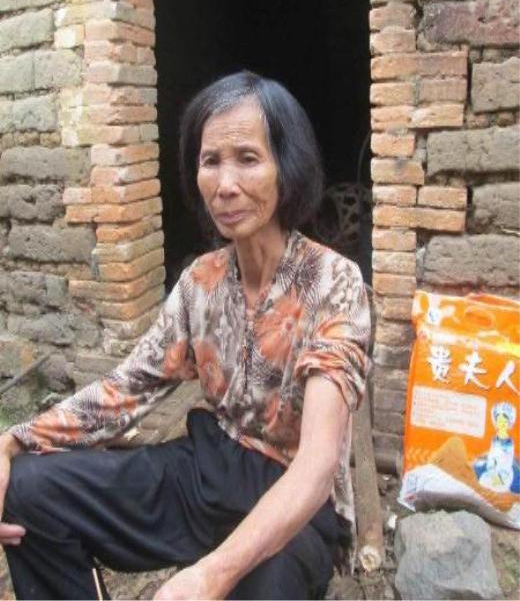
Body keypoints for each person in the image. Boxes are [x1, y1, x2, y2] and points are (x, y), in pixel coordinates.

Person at [0, 71, 371, 600]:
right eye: (210, 161)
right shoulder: (202, 281)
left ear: (286, 169)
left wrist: (210, 575)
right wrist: (13, 440)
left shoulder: (332, 282)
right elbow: (126, 389)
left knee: (265, 585)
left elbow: (316, 465)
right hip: (210, 468)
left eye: (248, 158)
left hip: (294, 496)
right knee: (29, 489)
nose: (225, 184)